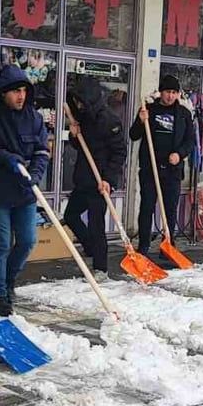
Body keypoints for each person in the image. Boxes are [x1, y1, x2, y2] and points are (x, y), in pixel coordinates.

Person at [0, 65, 51, 316]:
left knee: (27, 241)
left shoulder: (34, 118)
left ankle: (9, 279)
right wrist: (4, 157)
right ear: (3, 93)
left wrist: (35, 175)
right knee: (0, 244)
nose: (21, 96)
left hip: (24, 191)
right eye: (15, 91)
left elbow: (41, 151)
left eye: (24, 91)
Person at [62, 75, 126, 275]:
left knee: (96, 224)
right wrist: (74, 135)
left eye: (82, 102)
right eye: (77, 102)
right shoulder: (82, 118)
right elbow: (79, 146)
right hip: (84, 178)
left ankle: (100, 268)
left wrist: (108, 179)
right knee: (70, 215)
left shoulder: (110, 121)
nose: (79, 106)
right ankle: (90, 247)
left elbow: (119, 153)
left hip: (101, 182)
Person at [129, 74, 196, 257]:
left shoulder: (183, 114)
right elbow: (133, 135)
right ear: (161, 92)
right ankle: (143, 246)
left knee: (170, 209)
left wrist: (179, 154)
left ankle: (168, 245)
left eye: (174, 92)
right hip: (150, 168)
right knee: (147, 207)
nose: (170, 96)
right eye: (167, 92)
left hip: (172, 171)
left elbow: (190, 141)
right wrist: (141, 121)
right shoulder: (148, 109)